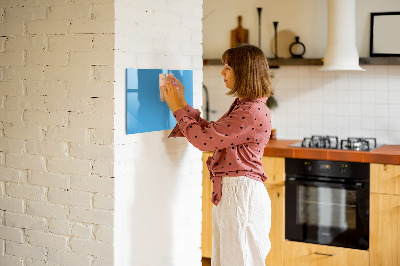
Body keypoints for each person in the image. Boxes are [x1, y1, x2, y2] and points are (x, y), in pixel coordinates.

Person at [161, 44, 273, 266]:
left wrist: (176, 108)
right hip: (236, 193)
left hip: (241, 195)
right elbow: (212, 133)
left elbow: (204, 141)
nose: (222, 72)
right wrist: (182, 103)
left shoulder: (250, 111)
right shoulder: (246, 106)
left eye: (228, 67)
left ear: (244, 72)